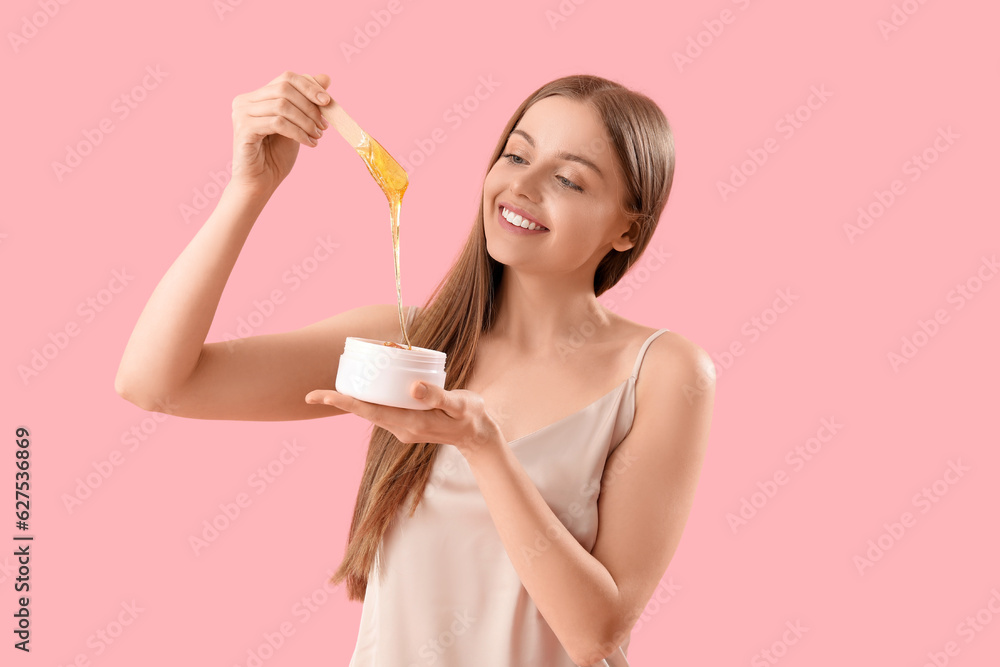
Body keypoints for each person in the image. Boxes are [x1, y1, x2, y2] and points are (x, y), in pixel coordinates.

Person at [115, 70, 715, 667]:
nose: (521, 187)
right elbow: (155, 383)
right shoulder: (405, 343)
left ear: (626, 228)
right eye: (515, 155)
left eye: (567, 179)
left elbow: (597, 636)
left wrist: (483, 448)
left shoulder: (659, 373)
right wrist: (249, 188)